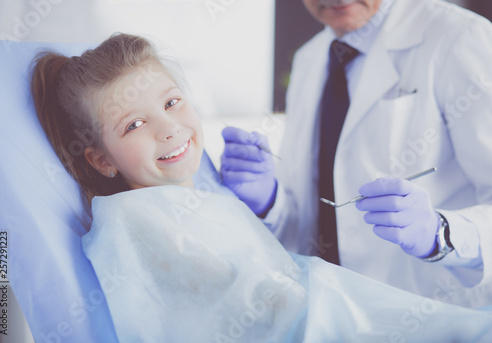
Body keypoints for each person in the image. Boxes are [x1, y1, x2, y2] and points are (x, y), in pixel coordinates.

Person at [29, 32, 492, 342]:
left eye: (172, 101)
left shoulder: (460, 40)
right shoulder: (129, 224)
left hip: (414, 298)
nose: (170, 129)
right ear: (101, 159)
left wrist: (443, 235)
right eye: (134, 124)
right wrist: (273, 208)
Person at [220, 0, 492, 309]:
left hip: (436, 315)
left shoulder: (460, 38)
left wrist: (440, 234)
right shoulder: (310, 57)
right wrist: (269, 201)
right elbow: (316, 215)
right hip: (332, 312)